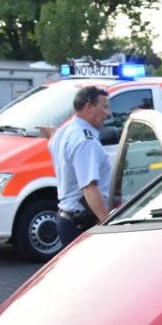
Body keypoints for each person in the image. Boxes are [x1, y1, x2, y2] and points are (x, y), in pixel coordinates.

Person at [49, 86, 112, 249]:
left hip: (68, 218)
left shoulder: (64, 131)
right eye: (104, 107)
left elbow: (53, 145)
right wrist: (107, 224)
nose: (108, 113)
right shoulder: (86, 141)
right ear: (89, 107)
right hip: (82, 222)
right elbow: (90, 187)